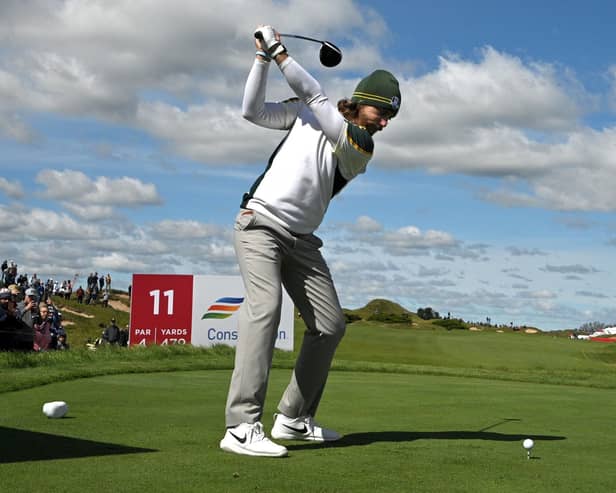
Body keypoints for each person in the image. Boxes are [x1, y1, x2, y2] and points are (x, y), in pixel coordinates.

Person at [219, 25, 401, 458]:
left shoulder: (359, 144)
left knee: (330, 325)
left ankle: (293, 418)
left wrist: (279, 50)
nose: (386, 123)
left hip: (302, 242)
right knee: (264, 310)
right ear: (364, 104)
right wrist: (262, 59)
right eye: (383, 113)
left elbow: (318, 99)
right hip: (260, 225)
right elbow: (253, 112)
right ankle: (241, 426)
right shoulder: (305, 112)